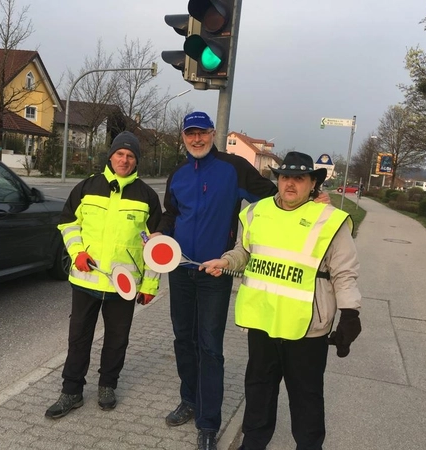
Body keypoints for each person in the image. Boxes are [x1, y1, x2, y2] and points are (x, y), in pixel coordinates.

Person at [201, 151, 363, 450]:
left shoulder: (330, 221)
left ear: (312, 183)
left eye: (299, 178)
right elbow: (245, 253)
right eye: (285, 177)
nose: (290, 184)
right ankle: (253, 443)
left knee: (307, 396)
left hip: (307, 326)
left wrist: (350, 314)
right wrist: (226, 262)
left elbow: (344, 274)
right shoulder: (256, 212)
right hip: (263, 320)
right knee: (259, 390)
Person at [149, 111, 278, 450]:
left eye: (202, 133)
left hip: (215, 272)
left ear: (212, 133)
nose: (196, 139)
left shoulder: (233, 167)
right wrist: (159, 234)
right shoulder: (177, 174)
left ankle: (209, 423)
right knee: (183, 339)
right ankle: (189, 400)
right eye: (190, 134)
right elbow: (172, 213)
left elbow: (272, 198)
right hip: (180, 270)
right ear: (183, 137)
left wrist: (311, 200)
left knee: (210, 348)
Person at [45, 131, 162, 419]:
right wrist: (77, 253)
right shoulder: (86, 187)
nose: (124, 160)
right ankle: (71, 391)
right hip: (86, 280)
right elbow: (69, 224)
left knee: (117, 339)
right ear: (110, 156)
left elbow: (157, 248)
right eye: (120, 154)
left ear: (136, 161)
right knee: (79, 338)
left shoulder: (147, 197)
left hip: (123, 286)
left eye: (130, 156)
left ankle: (108, 385)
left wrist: (149, 284)